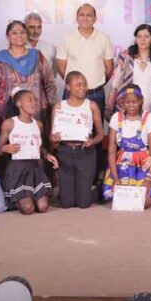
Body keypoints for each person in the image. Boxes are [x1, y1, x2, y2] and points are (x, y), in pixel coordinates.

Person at [0, 20, 57, 128]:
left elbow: (50, 84)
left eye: (22, 32)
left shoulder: (37, 56)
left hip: (36, 113)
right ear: (8, 36)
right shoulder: (1, 59)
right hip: (7, 114)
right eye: (14, 33)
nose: (19, 35)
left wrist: (55, 108)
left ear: (27, 35)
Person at [101, 84, 151, 208]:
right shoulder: (116, 118)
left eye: (134, 102)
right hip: (122, 164)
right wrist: (115, 178)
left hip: (144, 164)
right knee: (119, 200)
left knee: (145, 202)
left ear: (141, 101)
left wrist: (149, 179)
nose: (131, 105)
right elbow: (111, 150)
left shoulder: (149, 118)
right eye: (127, 102)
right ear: (122, 102)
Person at [0, 89, 58, 215]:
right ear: (19, 104)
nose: (34, 103)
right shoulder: (9, 123)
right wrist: (5, 148)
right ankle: (18, 199)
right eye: (29, 100)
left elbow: (39, 147)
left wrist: (47, 155)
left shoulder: (38, 125)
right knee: (28, 208)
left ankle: (29, 195)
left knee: (43, 207)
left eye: (35, 100)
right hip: (17, 169)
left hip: (35, 168)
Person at [50, 72, 104, 209]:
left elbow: (100, 135)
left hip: (85, 153)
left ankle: (98, 190)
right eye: (78, 85)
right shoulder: (59, 107)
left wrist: (92, 142)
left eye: (84, 84)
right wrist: (54, 140)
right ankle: (68, 192)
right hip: (65, 153)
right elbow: (52, 137)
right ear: (68, 87)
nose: (82, 88)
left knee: (83, 203)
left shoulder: (91, 106)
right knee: (66, 203)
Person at [56, 3, 114, 112]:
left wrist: (96, 83)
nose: (85, 18)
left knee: (96, 124)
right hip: (72, 95)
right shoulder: (67, 38)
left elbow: (109, 69)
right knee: (69, 123)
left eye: (89, 15)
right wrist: (73, 86)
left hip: (96, 94)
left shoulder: (104, 39)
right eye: (82, 15)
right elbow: (61, 67)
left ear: (95, 18)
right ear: (77, 18)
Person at [106, 24, 151, 118]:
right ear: (135, 39)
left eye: (146, 36)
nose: (142, 39)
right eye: (139, 36)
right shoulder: (126, 58)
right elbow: (115, 84)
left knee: (149, 125)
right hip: (129, 103)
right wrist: (110, 106)